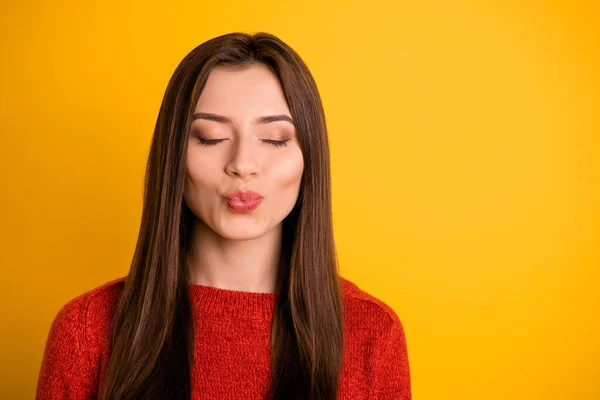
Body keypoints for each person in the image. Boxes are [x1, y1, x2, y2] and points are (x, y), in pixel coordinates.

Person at [35, 32, 411, 400]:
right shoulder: (86, 331)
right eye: (211, 137)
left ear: (310, 158)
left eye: (276, 138)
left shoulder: (372, 335)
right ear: (174, 157)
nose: (242, 165)